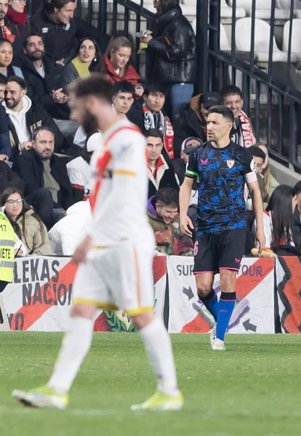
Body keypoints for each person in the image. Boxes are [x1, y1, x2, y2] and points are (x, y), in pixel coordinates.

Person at [12, 75, 183, 411]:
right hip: (103, 240)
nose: (73, 113)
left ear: (92, 103)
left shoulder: (127, 141)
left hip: (125, 241)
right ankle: (57, 390)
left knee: (141, 315)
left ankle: (169, 390)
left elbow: (124, 198)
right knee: (80, 310)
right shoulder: (104, 141)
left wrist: (89, 236)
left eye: (76, 106)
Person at [179, 105, 266, 352]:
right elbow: (186, 186)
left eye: (215, 123)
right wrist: (183, 214)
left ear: (228, 126)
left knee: (228, 278)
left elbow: (255, 191)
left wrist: (259, 228)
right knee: (203, 288)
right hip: (205, 227)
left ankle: (219, 338)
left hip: (234, 226)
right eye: (208, 122)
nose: (209, 127)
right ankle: (221, 324)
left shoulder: (241, 155)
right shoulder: (198, 154)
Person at [140, 0, 196, 120]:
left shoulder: (179, 24)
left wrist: (152, 42)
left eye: (157, 1)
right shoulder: (165, 23)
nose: (154, 5)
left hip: (179, 81)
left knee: (178, 118)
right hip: (166, 79)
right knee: (164, 118)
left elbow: (176, 52)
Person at [5, 75, 65, 161]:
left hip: (43, 156)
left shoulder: (37, 110)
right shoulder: (2, 115)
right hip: (15, 160)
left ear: (23, 92)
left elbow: (57, 138)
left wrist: (39, 148)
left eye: (12, 92)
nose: (7, 96)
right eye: (5, 92)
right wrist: (19, 148)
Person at [30, 0, 106, 66]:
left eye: (73, 10)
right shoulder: (37, 23)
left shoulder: (73, 23)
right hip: (44, 71)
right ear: (56, 9)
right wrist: (51, 64)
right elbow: (30, 50)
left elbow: (101, 38)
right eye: (68, 11)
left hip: (68, 71)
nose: (71, 15)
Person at [20, 34, 70, 121]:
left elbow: (64, 89)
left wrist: (64, 96)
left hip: (62, 115)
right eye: (32, 45)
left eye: (40, 44)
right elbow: (29, 100)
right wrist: (51, 98)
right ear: (25, 50)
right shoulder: (21, 72)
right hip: (39, 120)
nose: (37, 47)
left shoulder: (54, 68)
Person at [129, 82, 176, 158]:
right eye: (154, 95)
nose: (157, 100)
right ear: (145, 97)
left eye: (161, 96)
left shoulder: (164, 116)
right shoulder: (135, 113)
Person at [1, 186, 50, 254]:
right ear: (3, 204)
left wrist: (29, 259)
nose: (15, 205)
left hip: (29, 262)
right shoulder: (2, 222)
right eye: (11, 201)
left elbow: (44, 248)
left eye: (19, 201)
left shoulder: (34, 222)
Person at [147, 187, 192, 256]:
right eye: (169, 212)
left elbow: (186, 241)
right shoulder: (144, 219)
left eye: (175, 212)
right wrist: (154, 238)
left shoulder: (178, 218)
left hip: (178, 262)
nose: (172, 216)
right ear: (158, 206)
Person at [261, 184, 299, 256]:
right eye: (295, 200)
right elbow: (265, 251)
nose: (297, 203)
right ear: (286, 202)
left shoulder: (287, 220)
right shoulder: (264, 218)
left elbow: (291, 247)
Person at [144, 130, 182, 198]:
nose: (154, 150)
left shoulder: (168, 166)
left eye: (157, 145)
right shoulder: (134, 166)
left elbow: (175, 193)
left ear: (162, 146)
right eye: (150, 145)